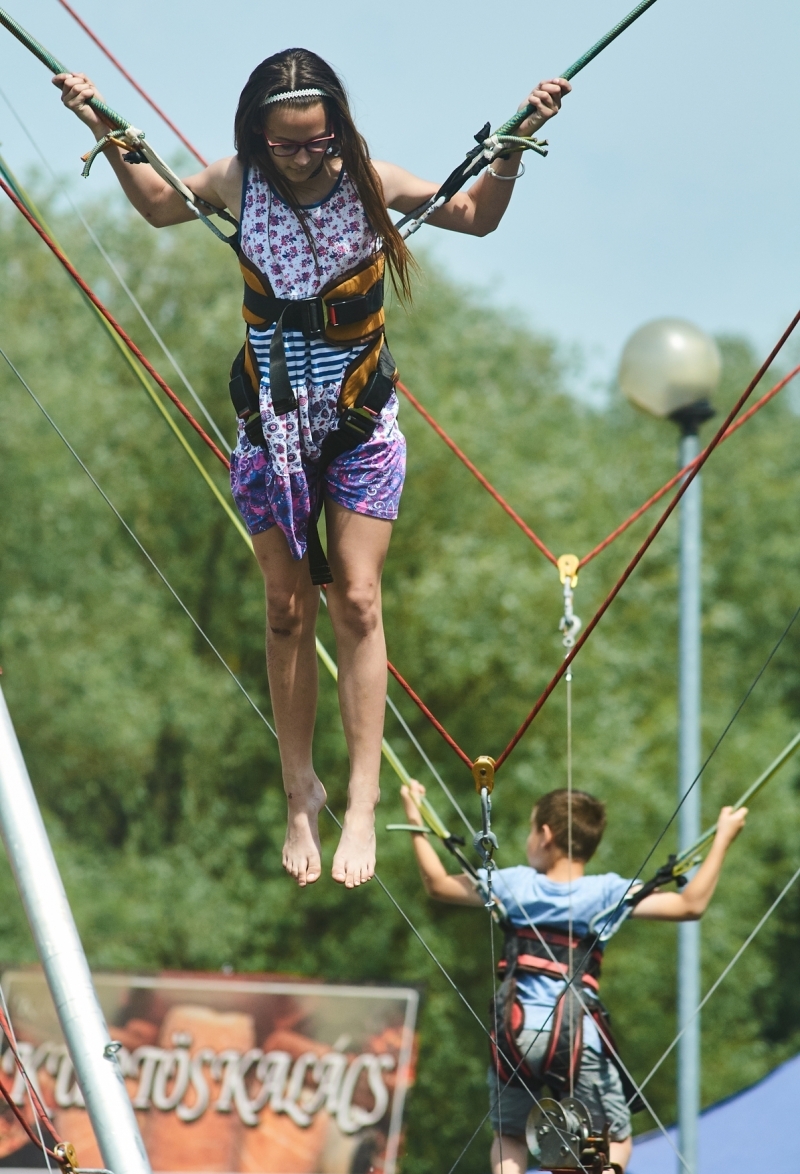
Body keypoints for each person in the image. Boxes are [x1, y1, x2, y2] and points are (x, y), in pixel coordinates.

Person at [53, 50, 570, 891]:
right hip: (272, 425)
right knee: (286, 609)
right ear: (259, 136)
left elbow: (476, 215)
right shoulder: (236, 181)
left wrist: (514, 141)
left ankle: (361, 800)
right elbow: (155, 206)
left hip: (358, 419)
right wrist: (102, 125)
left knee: (357, 599)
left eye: (320, 143)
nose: (307, 159)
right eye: (290, 146)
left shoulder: (367, 178)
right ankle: (303, 791)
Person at [400, 779, 747, 1174]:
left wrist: (415, 817)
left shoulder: (513, 884)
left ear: (545, 835)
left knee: (510, 1133)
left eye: (531, 830)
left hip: (515, 1033)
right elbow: (689, 905)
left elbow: (438, 883)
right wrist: (723, 839)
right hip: (577, 1038)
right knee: (616, 1140)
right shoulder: (606, 892)